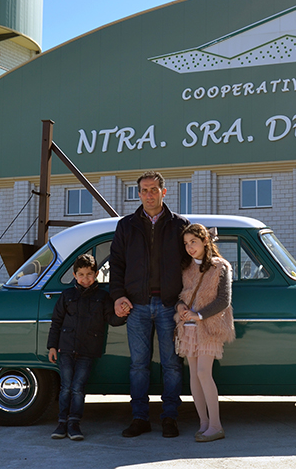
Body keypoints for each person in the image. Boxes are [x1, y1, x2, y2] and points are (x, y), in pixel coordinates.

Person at [110, 171, 190, 438]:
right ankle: (140, 418)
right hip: (137, 306)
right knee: (138, 365)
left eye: (154, 189)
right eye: (144, 190)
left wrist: (184, 300)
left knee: (171, 364)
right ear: (139, 193)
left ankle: (170, 417)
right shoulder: (126, 225)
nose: (149, 195)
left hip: (170, 305)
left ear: (164, 192)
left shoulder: (180, 225)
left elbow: (189, 265)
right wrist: (118, 295)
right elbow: (117, 265)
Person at [47, 253, 126, 441]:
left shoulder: (102, 297)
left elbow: (112, 319)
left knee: (78, 388)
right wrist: (52, 346)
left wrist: (123, 313)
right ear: (74, 275)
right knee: (65, 387)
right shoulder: (67, 296)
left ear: (97, 274)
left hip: (87, 351)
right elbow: (56, 322)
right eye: (81, 274)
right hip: (65, 350)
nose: (85, 278)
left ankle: (74, 423)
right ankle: (61, 423)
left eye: (89, 274)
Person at [175, 223, 235, 442]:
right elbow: (182, 296)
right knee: (193, 375)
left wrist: (198, 315)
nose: (190, 247)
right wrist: (181, 308)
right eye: (186, 243)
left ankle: (216, 425)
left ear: (205, 241)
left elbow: (223, 300)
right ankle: (203, 423)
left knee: (203, 372)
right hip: (188, 328)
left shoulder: (221, 266)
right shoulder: (186, 268)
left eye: (194, 242)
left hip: (208, 327)